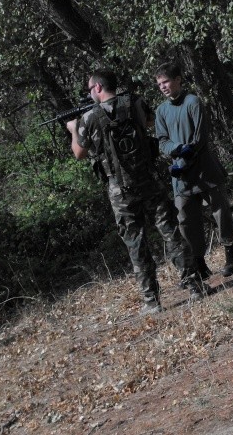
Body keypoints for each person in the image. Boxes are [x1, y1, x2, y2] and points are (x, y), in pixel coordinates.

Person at [66, 69, 205, 315]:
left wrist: (73, 129)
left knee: (136, 244)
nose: (90, 93)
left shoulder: (90, 118)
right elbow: (150, 122)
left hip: (121, 192)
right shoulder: (135, 102)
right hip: (149, 181)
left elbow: (79, 152)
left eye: (90, 89)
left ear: (98, 87)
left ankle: (152, 301)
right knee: (170, 232)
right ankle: (194, 285)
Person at [154, 62, 233, 279]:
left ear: (178, 80)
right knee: (186, 220)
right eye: (159, 84)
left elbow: (200, 138)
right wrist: (176, 150)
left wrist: (188, 152)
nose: (163, 87)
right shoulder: (161, 111)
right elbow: (162, 141)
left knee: (220, 212)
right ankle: (199, 264)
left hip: (205, 169)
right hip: (182, 176)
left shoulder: (193, 102)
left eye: (166, 81)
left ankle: (232, 256)